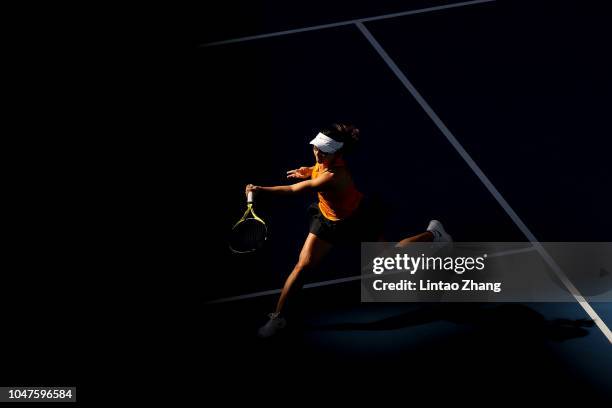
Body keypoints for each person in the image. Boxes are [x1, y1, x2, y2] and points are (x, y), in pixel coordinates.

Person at [245, 123, 452, 338]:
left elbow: (294, 189)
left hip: (357, 220)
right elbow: (316, 169)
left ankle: (433, 234)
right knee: (302, 266)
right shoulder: (324, 162)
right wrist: (308, 170)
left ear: (336, 154)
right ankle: (278, 317)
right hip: (327, 220)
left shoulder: (334, 175)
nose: (317, 152)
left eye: (323, 151)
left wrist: (260, 190)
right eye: (316, 147)